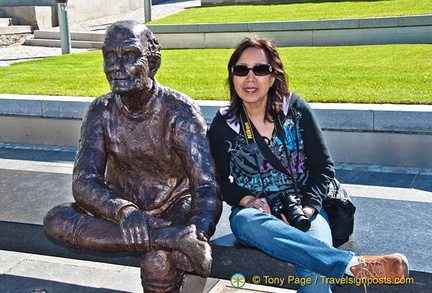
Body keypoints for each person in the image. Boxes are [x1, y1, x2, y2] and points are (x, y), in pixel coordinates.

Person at [208, 37, 409, 292]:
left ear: (272, 77)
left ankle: (347, 265)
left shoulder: (295, 109)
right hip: (259, 217)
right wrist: (249, 201)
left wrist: (308, 209)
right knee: (244, 221)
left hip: (304, 208)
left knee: (314, 269)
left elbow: (322, 167)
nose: (250, 78)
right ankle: (354, 266)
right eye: (241, 70)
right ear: (232, 77)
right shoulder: (224, 124)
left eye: (260, 69)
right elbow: (220, 183)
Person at [43, 20, 222, 293]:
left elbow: (207, 186)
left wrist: (198, 233)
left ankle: (173, 237)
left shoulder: (180, 111)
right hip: (121, 210)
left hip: (173, 206)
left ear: (153, 63)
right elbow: (84, 181)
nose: (116, 67)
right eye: (110, 57)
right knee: (56, 219)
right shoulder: (100, 111)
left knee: (158, 259)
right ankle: (170, 238)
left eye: (129, 56)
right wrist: (125, 211)